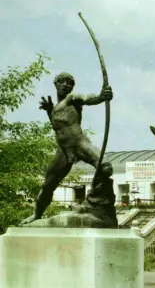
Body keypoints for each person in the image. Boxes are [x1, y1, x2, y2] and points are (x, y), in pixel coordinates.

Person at [20, 72, 113, 226]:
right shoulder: (56, 109)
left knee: (105, 167)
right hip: (63, 151)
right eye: (61, 82)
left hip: (80, 144)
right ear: (55, 84)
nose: (65, 85)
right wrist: (50, 111)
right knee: (47, 185)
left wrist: (101, 97)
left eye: (69, 83)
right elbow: (58, 126)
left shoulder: (72, 99)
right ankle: (36, 214)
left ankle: (98, 204)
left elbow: (86, 98)